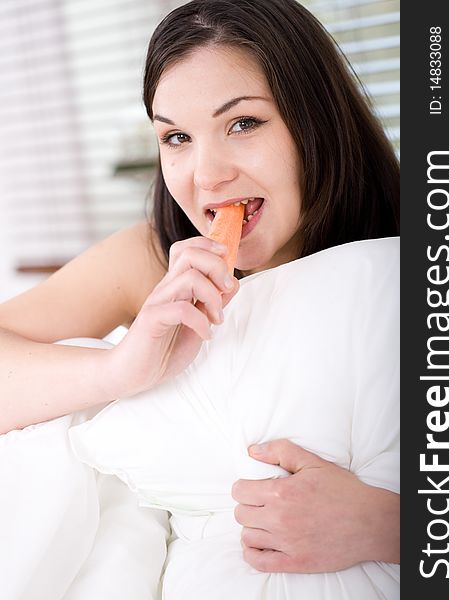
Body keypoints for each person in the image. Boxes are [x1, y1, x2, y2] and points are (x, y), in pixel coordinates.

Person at [0, 0, 399, 593]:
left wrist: (386, 526)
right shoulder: (151, 257)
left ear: (315, 119)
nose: (206, 175)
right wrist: (121, 366)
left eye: (243, 123)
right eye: (177, 137)